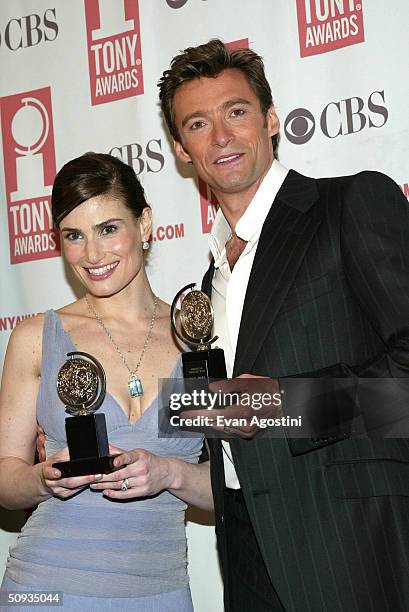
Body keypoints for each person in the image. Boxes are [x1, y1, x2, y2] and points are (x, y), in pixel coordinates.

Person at [158, 39, 409, 611]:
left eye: (236, 112)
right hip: (248, 559)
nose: (220, 136)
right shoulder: (204, 287)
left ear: (271, 120)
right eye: (198, 123)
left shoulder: (348, 204)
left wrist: (288, 404)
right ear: (181, 149)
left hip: (353, 549)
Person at [0, 152, 212, 611]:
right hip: (45, 589)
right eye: (74, 236)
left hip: (160, 591)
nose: (92, 255)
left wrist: (170, 471)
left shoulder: (199, 338)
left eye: (108, 229)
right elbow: (5, 477)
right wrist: (44, 478)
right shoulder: (37, 337)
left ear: (146, 224)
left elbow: (236, 488)